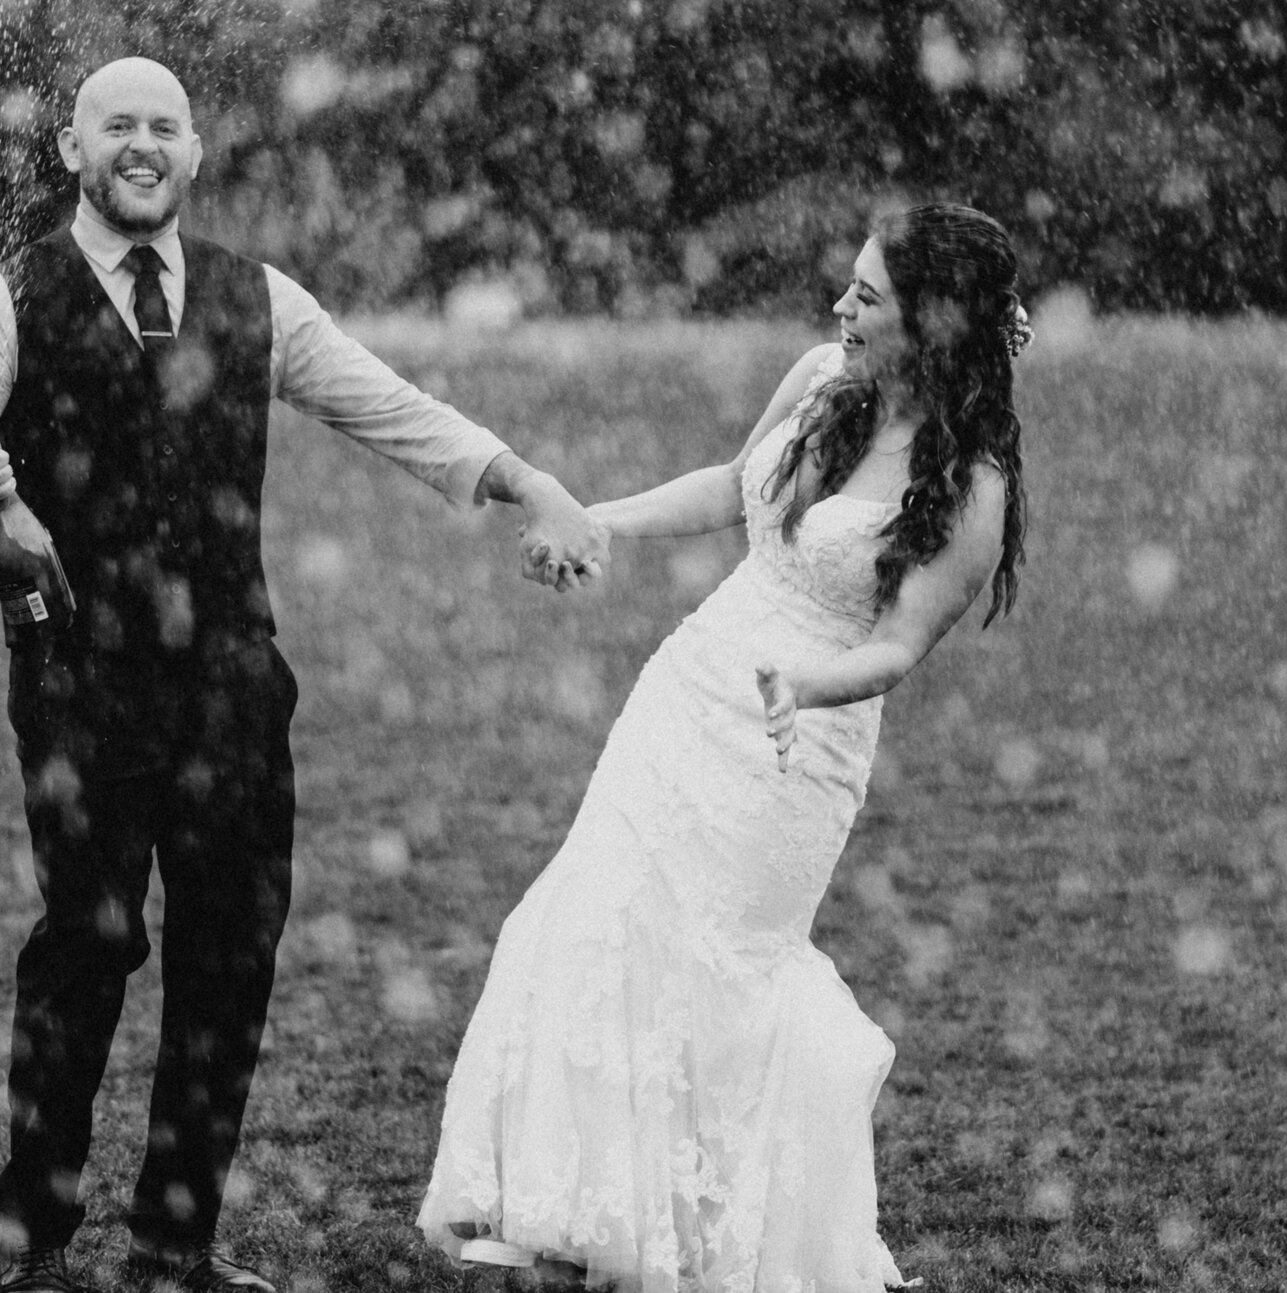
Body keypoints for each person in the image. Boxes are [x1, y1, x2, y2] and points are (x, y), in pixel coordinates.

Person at [0, 57, 610, 1293]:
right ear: (72, 151)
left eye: (163, 126)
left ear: (193, 152)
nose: (141, 144)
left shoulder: (256, 297)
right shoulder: (4, 299)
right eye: (115, 124)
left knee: (229, 954)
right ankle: (37, 1241)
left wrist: (526, 480)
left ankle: (175, 1246)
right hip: (83, 680)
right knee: (90, 941)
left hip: (232, 679)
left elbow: (395, 410)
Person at [415, 203, 1031, 1291]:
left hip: (798, 744)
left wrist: (803, 682)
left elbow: (896, 646)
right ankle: (588, 1217)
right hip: (687, 694)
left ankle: (716, 1244)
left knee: (722, 970)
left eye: (868, 296)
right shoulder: (818, 382)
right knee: (607, 919)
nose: (840, 307)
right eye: (847, 286)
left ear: (932, 322)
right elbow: (728, 487)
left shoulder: (969, 482)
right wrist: (592, 518)